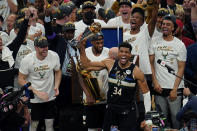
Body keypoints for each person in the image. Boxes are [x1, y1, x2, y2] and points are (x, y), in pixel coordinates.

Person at [79, 41, 151, 131]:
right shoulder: (110, 64)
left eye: (126, 52)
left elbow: (146, 93)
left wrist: (148, 119)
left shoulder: (136, 71)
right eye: (121, 51)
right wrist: (81, 48)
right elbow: (86, 65)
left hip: (128, 112)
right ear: (118, 53)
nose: (123, 54)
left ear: (130, 55)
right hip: (111, 110)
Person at [149, 14, 187, 129]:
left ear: (173, 28)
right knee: (161, 119)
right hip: (159, 88)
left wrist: (175, 89)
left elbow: (181, 68)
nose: (164, 26)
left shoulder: (179, 45)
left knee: (176, 118)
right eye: (163, 24)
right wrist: (155, 82)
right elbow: (151, 63)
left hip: (174, 89)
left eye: (168, 24)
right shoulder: (154, 41)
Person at [18, 36, 62, 131]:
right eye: (42, 47)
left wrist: (56, 86)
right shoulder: (27, 60)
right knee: (34, 124)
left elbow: (58, 71)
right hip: (34, 99)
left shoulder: (54, 55)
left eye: (46, 46)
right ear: (36, 48)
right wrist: (36, 92)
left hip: (50, 96)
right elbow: (21, 79)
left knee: (50, 124)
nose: (45, 49)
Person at [84, 32, 109, 131]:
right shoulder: (85, 52)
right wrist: (87, 94)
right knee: (91, 127)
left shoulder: (108, 52)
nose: (100, 45)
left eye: (102, 42)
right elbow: (80, 75)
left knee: (106, 126)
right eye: (97, 43)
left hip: (105, 96)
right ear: (91, 42)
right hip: (90, 98)